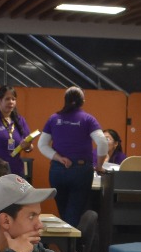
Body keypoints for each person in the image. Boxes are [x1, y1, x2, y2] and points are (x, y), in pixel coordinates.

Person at [37, 85, 111, 226]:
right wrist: (99, 165)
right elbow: (102, 142)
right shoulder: (88, 119)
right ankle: (72, 247)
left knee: (64, 213)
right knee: (74, 213)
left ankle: (65, 245)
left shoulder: (53, 118)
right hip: (81, 171)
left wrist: (59, 158)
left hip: (57, 170)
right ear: (82, 101)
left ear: (65, 100)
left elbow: (42, 145)